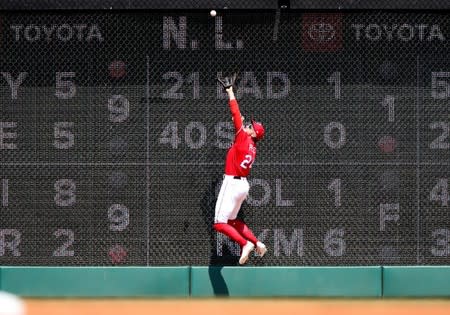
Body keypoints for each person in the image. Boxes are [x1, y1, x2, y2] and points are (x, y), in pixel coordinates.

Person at [213, 73, 267, 265]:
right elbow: (241, 122)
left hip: (232, 182)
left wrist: (230, 91)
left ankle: (245, 244)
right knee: (233, 221)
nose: (247, 125)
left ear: (253, 133)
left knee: (219, 223)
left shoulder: (244, 138)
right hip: (243, 186)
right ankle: (257, 242)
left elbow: (235, 113)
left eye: (250, 126)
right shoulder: (252, 146)